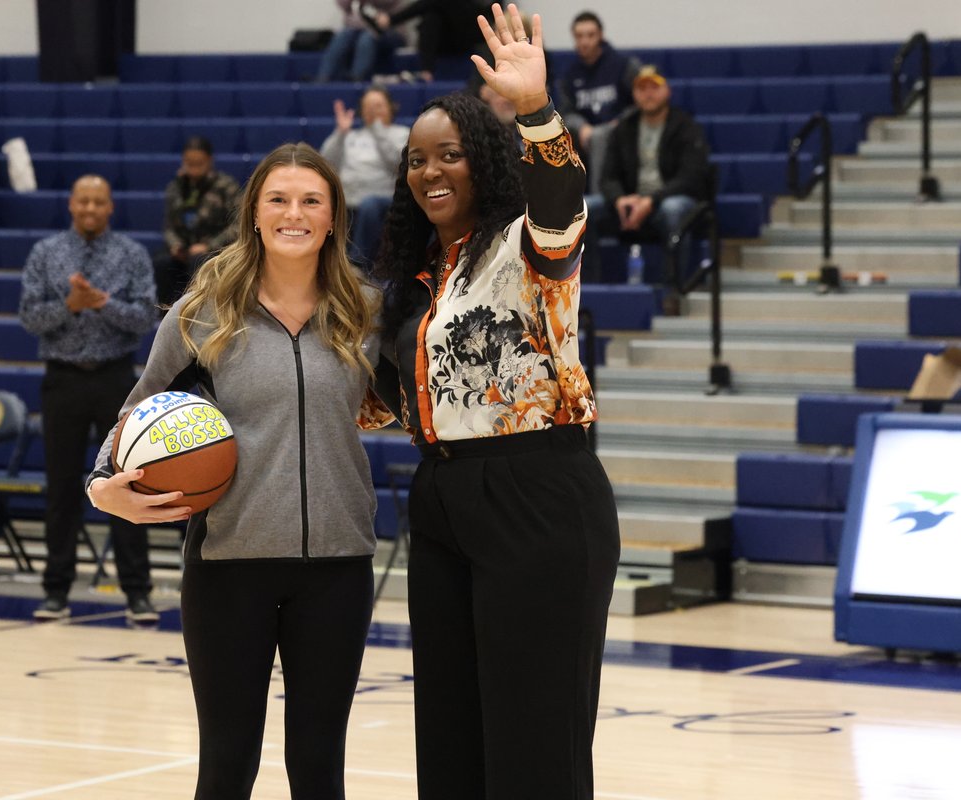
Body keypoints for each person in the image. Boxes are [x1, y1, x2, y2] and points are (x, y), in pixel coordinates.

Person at [85, 142, 393, 799]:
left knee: (319, 767)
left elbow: (401, 403)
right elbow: (134, 414)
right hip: (229, 565)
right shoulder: (202, 310)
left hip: (338, 565)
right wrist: (103, 488)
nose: (294, 213)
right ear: (253, 211)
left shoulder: (366, 311)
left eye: (312, 200)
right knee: (227, 768)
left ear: (335, 216)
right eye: (278, 199)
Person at [373, 5, 620, 797]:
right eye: (416, 160)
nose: (430, 171)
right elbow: (380, 405)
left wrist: (536, 111)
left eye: (449, 154)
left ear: (483, 159)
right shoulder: (418, 284)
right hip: (442, 494)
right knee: (450, 739)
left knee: (533, 744)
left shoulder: (527, 242)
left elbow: (561, 198)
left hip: (537, 494)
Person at [18, 175, 160, 624]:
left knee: (127, 483)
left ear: (111, 206)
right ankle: (56, 591)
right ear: (71, 204)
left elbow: (144, 320)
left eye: (99, 202)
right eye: (84, 201)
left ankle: (137, 592)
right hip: (62, 380)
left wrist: (101, 303)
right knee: (61, 489)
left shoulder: (132, 254)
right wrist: (70, 305)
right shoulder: (45, 253)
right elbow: (29, 317)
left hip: (117, 380)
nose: (91, 209)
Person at [585, 64, 711, 288]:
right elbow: (608, 177)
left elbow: (690, 178)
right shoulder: (624, 128)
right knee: (584, 209)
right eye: (642, 88)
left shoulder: (685, 126)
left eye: (654, 87)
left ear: (667, 91)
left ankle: (673, 291)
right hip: (631, 202)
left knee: (674, 210)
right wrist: (619, 199)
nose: (648, 93)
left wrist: (652, 200)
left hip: (666, 201)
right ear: (634, 94)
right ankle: (587, 289)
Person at [319, 85, 410, 264]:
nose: (373, 111)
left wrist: (378, 130)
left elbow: (400, 164)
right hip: (348, 201)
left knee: (369, 205)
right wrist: (340, 133)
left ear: (391, 108)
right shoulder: (351, 135)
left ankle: (356, 265)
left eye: (378, 106)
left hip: (384, 202)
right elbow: (325, 164)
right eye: (368, 107)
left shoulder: (402, 134)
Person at [151, 137, 241, 307]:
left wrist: (209, 245)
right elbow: (169, 225)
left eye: (199, 162)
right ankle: (165, 316)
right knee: (161, 263)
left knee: (200, 260)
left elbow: (238, 226)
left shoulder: (226, 186)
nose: (193, 167)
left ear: (209, 161)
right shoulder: (176, 186)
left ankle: (199, 312)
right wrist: (176, 245)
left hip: (215, 250)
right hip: (184, 249)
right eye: (189, 162)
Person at [558, 11, 642, 191]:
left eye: (590, 35)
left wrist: (620, 122)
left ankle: (598, 199)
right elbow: (566, 112)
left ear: (601, 35)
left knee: (599, 137)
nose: (585, 41)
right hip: (585, 136)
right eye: (579, 36)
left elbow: (639, 104)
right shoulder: (570, 74)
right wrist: (582, 126)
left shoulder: (624, 65)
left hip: (622, 131)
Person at [377, 0, 492, 82]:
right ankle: (426, 70)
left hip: (469, 35)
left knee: (434, 8)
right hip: (444, 39)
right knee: (431, 16)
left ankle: (426, 70)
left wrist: (392, 20)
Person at [315, 0, 405, 83]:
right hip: (356, 28)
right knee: (342, 36)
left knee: (366, 39)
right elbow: (342, 4)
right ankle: (322, 80)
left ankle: (356, 81)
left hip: (388, 29)